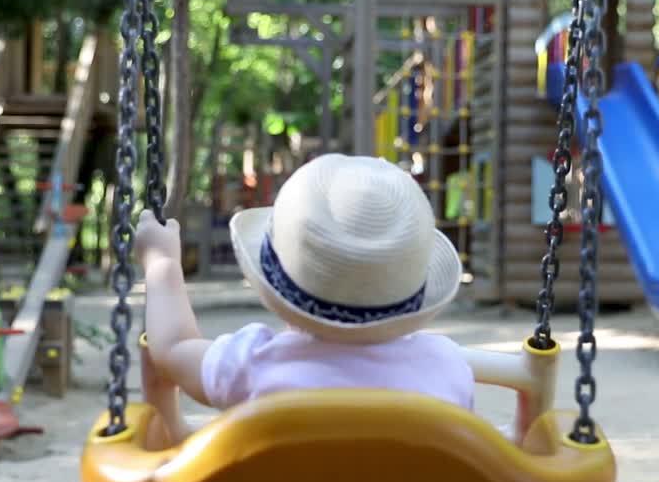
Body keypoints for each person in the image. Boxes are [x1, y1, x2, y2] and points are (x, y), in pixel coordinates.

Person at [134, 153, 474, 421]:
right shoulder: (447, 368)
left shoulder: (252, 365)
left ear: (275, 292)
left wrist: (161, 262)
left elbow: (173, 347)